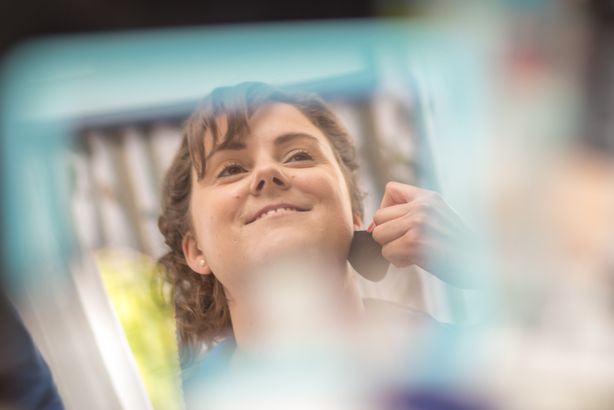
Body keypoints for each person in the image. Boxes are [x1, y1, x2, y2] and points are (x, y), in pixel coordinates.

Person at [158, 81, 473, 361]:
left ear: (353, 213)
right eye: (230, 170)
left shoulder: (469, 362)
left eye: (298, 155)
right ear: (195, 250)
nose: (267, 173)